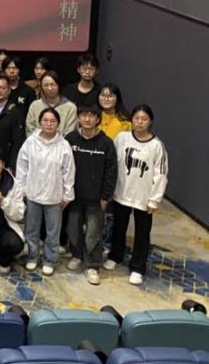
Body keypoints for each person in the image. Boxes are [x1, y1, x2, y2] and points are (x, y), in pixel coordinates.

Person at [105, 104, 168, 286]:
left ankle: (138, 267)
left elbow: (161, 174)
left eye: (144, 119)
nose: (139, 122)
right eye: (136, 118)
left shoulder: (157, 145)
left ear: (150, 122)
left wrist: (154, 200)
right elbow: (112, 164)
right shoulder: (122, 138)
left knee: (142, 233)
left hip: (143, 197)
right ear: (131, 120)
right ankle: (115, 256)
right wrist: (110, 189)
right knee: (119, 227)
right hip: (122, 192)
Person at [17, 107, 75, 275]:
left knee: (53, 231)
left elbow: (69, 171)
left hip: (54, 195)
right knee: (31, 229)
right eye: (45, 120)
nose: (49, 124)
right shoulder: (30, 142)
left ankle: (50, 259)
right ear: (40, 122)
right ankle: (32, 256)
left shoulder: (63, 145)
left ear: (58, 124)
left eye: (53, 121)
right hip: (33, 193)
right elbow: (22, 167)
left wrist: (67, 194)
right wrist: (22, 190)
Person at [65, 105, 117, 285]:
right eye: (83, 115)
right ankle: (77, 256)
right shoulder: (70, 139)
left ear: (98, 119)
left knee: (93, 233)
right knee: (73, 228)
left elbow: (111, 172)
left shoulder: (106, 143)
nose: (87, 119)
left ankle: (92, 265)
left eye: (91, 115)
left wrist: (106, 196)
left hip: (96, 198)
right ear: (78, 118)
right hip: (74, 196)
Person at [26, 71, 78, 136]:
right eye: (46, 85)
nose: (50, 88)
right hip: (36, 142)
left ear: (58, 85)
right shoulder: (35, 105)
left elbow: (70, 132)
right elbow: (30, 129)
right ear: (41, 87)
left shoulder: (71, 107)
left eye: (53, 85)